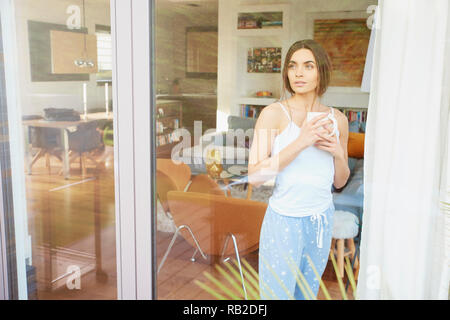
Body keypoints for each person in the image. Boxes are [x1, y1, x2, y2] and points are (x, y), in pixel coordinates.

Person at [248, 39, 350, 300]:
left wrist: (338, 153)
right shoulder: (273, 114)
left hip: (320, 219)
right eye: (293, 66)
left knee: (306, 294)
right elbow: (255, 176)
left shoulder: (338, 119)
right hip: (284, 219)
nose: (298, 73)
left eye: (308, 66)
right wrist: (302, 141)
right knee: (276, 295)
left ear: (321, 72)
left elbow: (340, 181)